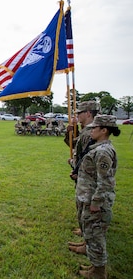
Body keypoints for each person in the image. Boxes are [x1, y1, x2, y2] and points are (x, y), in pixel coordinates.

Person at [71, 115, 120, 278]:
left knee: (96, 237)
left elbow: (106, 181)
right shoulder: (98, 148)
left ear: (104, 130)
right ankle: (94, 268)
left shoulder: (103, 151)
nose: (91, 130)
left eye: (94, 128)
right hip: (88, 196)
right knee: (91, 235)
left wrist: (97, 202)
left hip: (96, 202)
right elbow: (93, 174)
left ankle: (99, 272)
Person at [66, 101, 100, 249]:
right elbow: (75, 147)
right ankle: (85, 237)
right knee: (82, 209)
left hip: (87, 178)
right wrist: (71, 130)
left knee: (86, 210)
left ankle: (88, 242)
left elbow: (85, 156)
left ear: (88, 113)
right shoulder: (86, 130)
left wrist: (77, 170)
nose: (77, 115)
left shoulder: (89, 133)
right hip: (82, 175)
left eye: (79, 113)